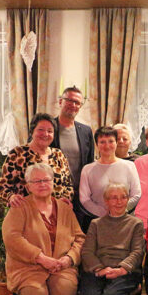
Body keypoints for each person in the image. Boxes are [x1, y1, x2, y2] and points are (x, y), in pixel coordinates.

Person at [2, 163, 84, 295]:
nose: (42, 184)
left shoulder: (65, 208)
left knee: (65, 290)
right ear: (28, 186)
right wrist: (40, 258)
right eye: (36, 181)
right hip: (28, 268)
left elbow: (80, 239)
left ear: (53, 182)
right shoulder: (19, 207)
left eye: (46, 180)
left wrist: (69, 258)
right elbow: (12, 238)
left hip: (61, 267)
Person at [0, 113, 74, 206]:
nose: (45, 134)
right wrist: (11, 197)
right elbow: (2, 186)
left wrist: (65, 199)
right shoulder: (17, 153)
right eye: (41, 130)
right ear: (32, 131)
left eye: (50, 131)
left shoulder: (59, 154)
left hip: (55, 212)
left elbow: (68, 185)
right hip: (26, 212)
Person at [51, 86, 95, 230]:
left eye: (77, 103)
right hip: (53, 195)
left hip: (78, 196)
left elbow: (89, 165)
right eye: (69, 100)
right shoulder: (47, 128)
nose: (73, 105)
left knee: (78, 235)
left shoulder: (86, 131)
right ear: (60, 102)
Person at [79, 127, 141, 219]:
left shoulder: (129, 166)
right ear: (96, 145)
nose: (107, 146)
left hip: (125, 219)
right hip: (97, 220)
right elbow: (84, 199)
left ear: (116, 143)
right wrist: (104, 212)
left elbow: (136, 194)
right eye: (102, 142)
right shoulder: (87, 169)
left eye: (111, 141)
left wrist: (119, 210)